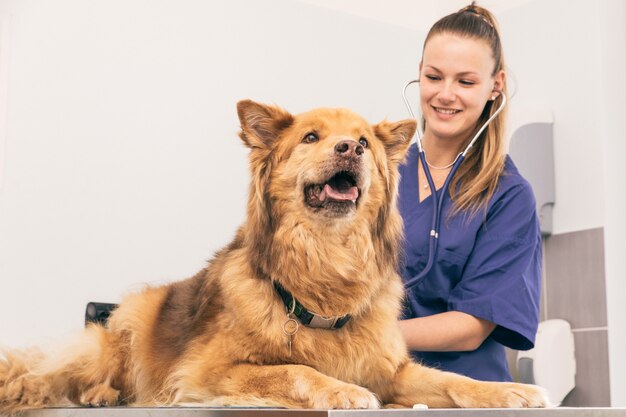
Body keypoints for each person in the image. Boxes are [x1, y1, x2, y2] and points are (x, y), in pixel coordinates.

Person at [397, 2, 541, 382]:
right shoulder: (381, 173)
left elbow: (473, 326)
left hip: (466, 392)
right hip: (378, 386)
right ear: (419, 75)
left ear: (496, 85)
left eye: (465, 81)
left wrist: (362, 338)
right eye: (434, 76)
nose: (446, 95)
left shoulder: (508, 195)